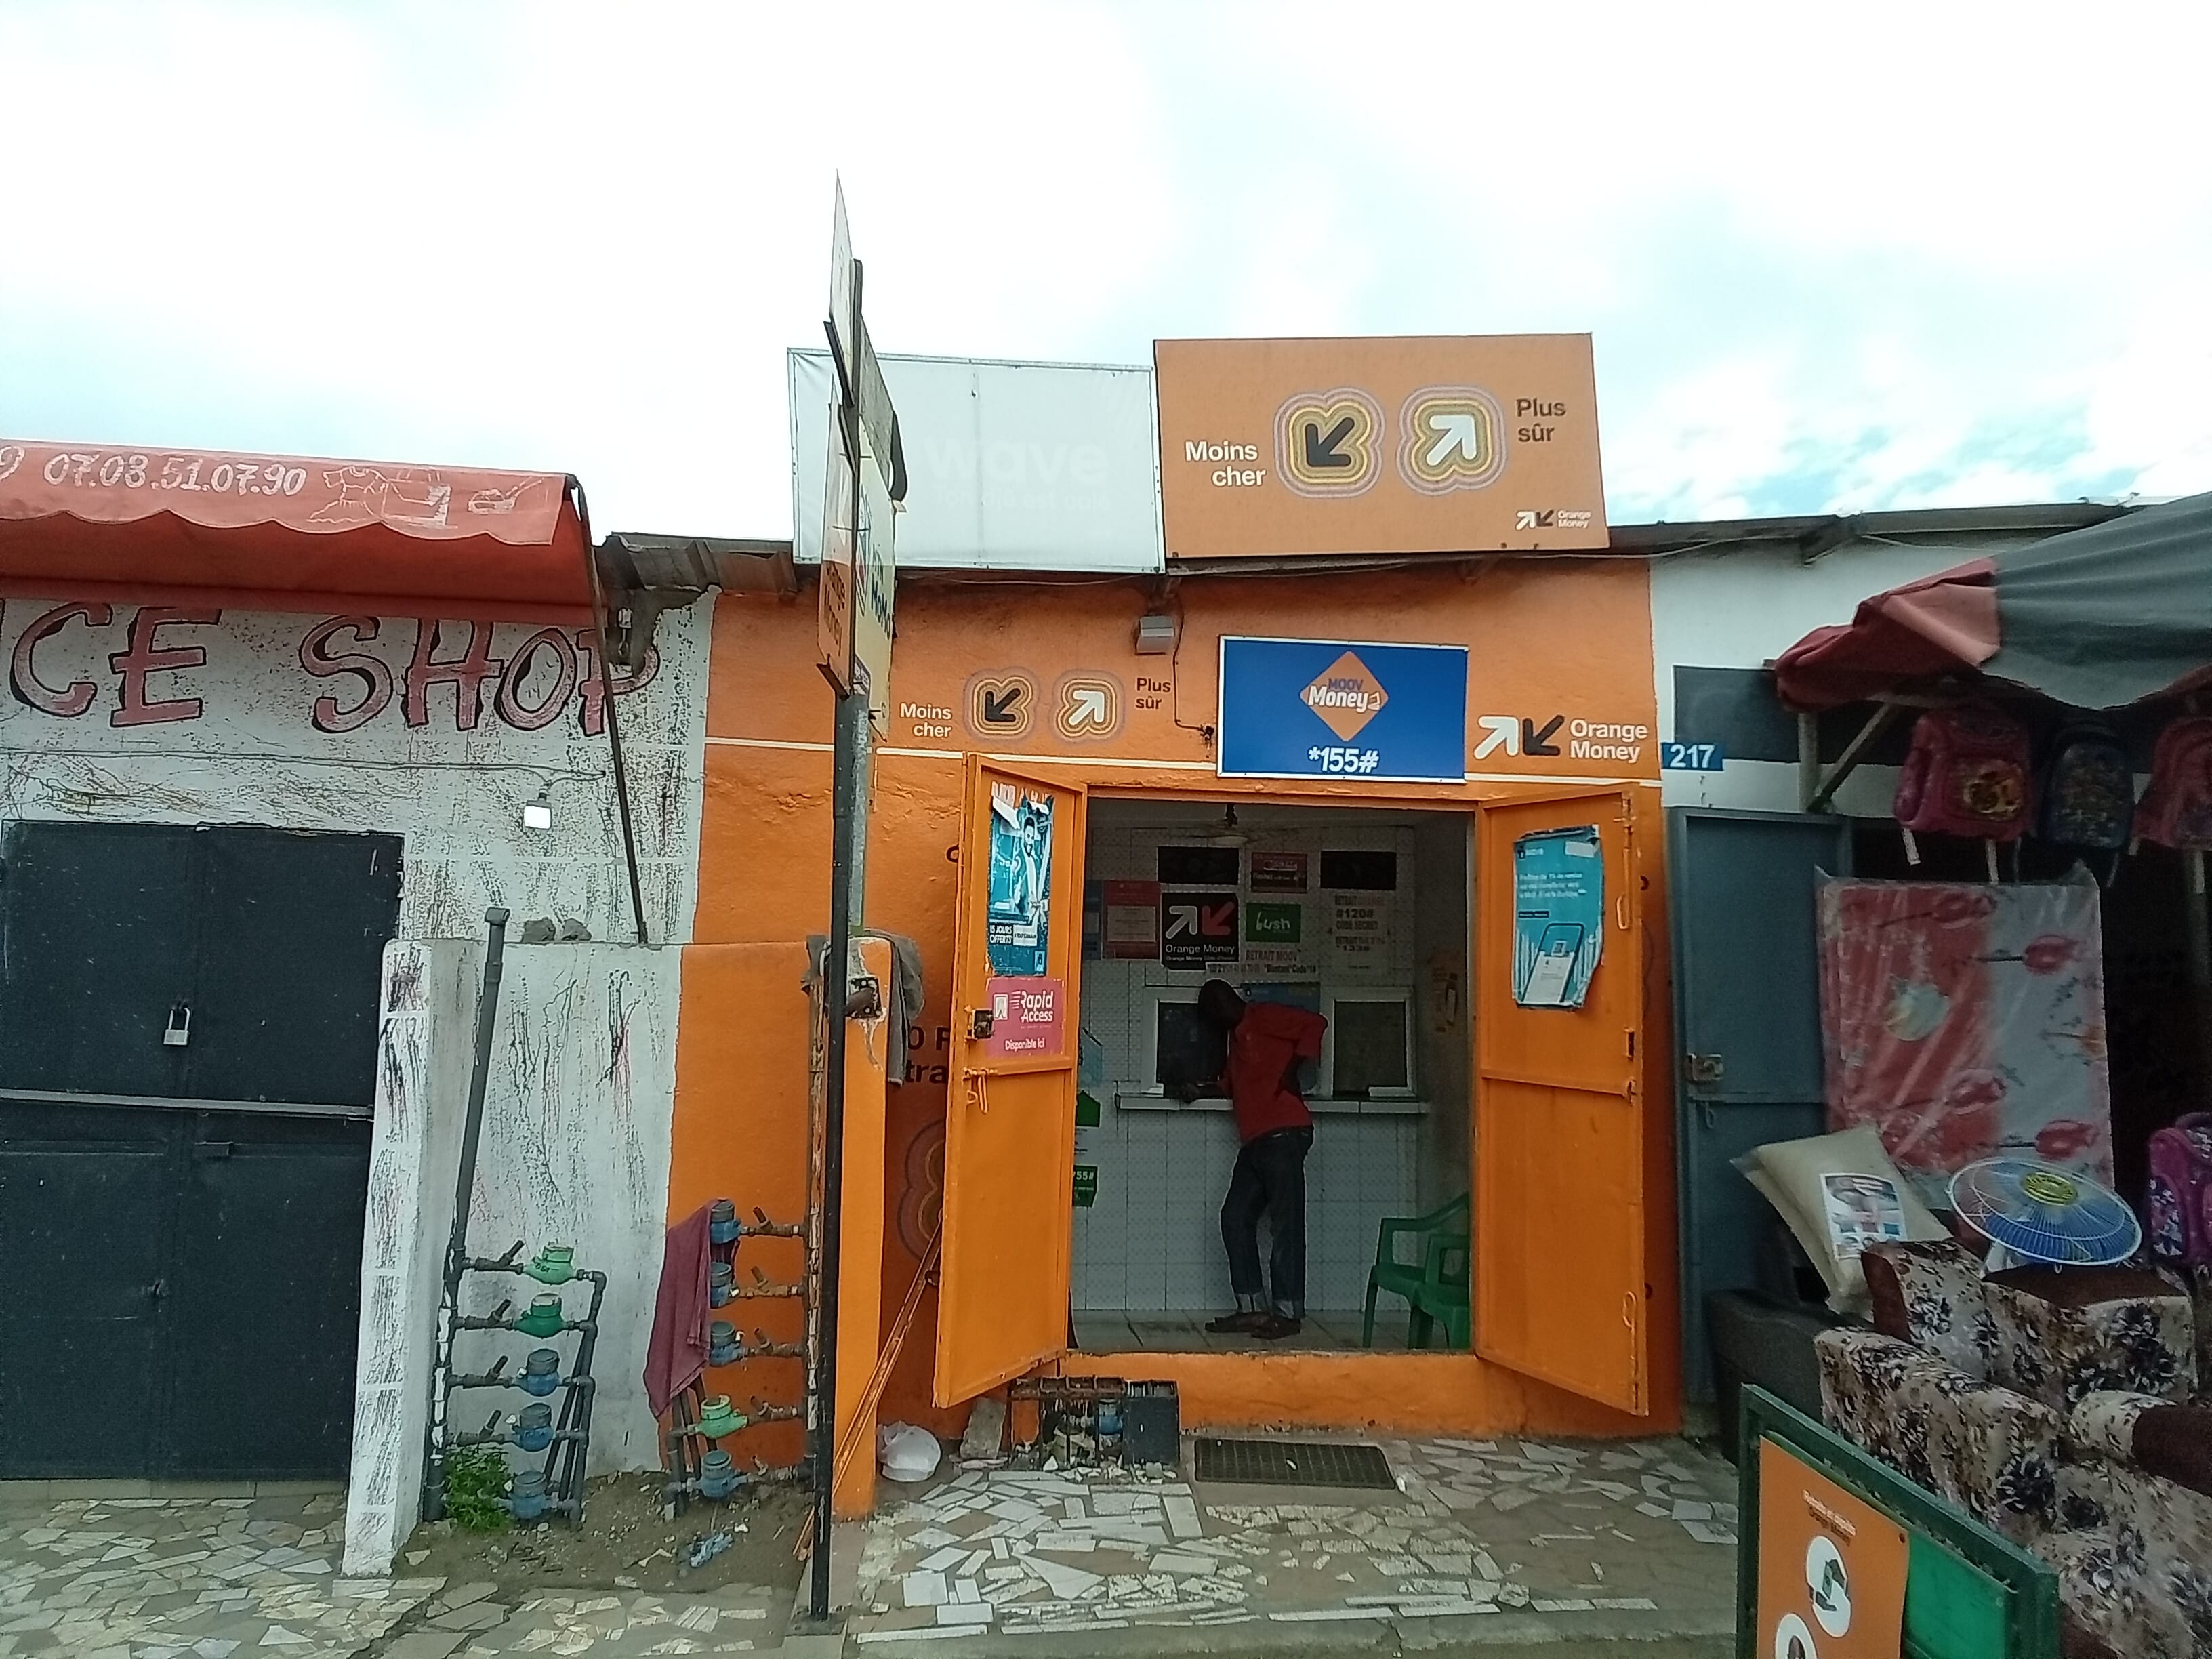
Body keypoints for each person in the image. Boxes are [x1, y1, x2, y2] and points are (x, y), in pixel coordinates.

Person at [1175, 978, 1326, 1340]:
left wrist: (1291, 1072)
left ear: (1229, 1000)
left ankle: (1287, 1314)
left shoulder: (1264, 1016)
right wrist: (1199, 1090)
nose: (1215, 1017)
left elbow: (1316, 1024)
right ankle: (1252, 1309)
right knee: (1234, 1218)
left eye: (1215, 1007)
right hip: (1257, 1140)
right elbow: (1231, 1085)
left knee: (1285, 1225)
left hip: (1285, 1133)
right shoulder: (1236, 1040)